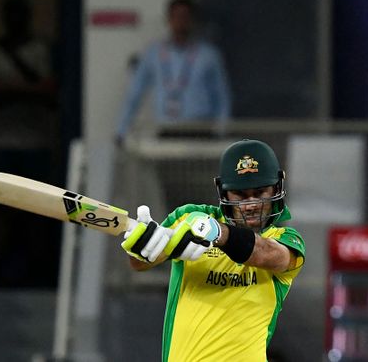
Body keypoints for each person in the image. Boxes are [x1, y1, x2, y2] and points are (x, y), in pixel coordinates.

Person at [121, 139, 306, 361]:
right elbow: (141, 263)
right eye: (240, 194)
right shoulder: (188, 217)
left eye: (260, 192)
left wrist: (218, 233)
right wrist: (143, 245)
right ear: (224, 193)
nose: (251, 204)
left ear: (276, 188)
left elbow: (270, 255)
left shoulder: (286, 240)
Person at [0, 0, 59, 286]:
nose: (15, 19)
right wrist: (24, 89)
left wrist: (10, 88)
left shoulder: (41, 49)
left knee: (39, 208)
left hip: (36, 142)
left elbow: (50, 90)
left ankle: (40, 270)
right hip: (1, 142)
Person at [115, 0, 231, 142]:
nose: (181, 21)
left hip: (200, 130)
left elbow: (221, 97)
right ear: (168, 20)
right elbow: (134, 93)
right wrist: (121, 130)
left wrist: (221, 131)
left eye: (185, 16)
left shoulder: (208, 55)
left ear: (193, 20)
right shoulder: (153, 54)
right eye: (176, 16)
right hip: (167, 130)